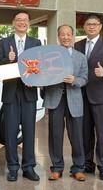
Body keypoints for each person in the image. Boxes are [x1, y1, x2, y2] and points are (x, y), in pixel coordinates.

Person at [0, 11, 42, 182]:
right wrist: (8, 60)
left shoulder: (35, 43)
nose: (22, 22)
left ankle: (29, 167)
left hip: (29, 93)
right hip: (10, 93)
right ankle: (13, 167)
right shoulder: (3, 42)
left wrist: (35, 79)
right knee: (10, 132)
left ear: (29, 23)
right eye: (19, 20)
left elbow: (40, 67)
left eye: (25, 20)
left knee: (29, 132)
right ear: (13, 22)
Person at [74, 13, 103, 180]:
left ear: (100, 27)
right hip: (81, 95)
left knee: (102, 133)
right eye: (88, 24)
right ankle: (87, 163)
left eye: (94, 24)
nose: (91, 27)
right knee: (85, 132)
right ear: (84, 27)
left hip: (101, 96)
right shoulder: (77, 46)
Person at [41, 25, 88, 182]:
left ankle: (79, 168)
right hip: (55, 99)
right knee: (55, 135)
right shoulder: (48, 56)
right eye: (63, 35)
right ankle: (56, 168)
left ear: (73, 36)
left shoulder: (80, 57)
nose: (66, 37)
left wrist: (75, 80)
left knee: (77, 136)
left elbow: (85, 78)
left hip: (74, 99)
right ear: (58, 36)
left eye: (68, 35)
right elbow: (43, 76)